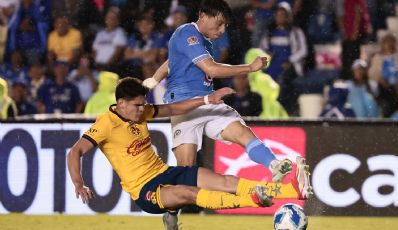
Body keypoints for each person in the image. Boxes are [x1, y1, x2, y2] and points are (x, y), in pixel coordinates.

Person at [67, 78, 311, 226]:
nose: (143, 110)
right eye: (137, 105)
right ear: (121, 104)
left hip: (165, 172)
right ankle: (254, 200)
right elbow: (75, 152)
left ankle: (292, 191)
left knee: (223, 180)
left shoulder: (140, 112)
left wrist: (206, 100)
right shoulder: (106, 123)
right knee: (191, 193)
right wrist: (79, 183)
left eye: (144, 104)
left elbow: (174, 107)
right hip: (145, 191)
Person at [143, 0, 295, 182]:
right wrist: (249, 68)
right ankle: (172, 210)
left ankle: (275, 165)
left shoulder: (205, 42)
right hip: (184, 107)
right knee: (186, 171)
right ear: (203, 16)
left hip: (209, 101)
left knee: (241, 132)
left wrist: (154, 79)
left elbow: (172, 61)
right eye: (219, 23)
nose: (222, 30)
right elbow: (212, 69)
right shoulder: (187, 32)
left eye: (225, 25)